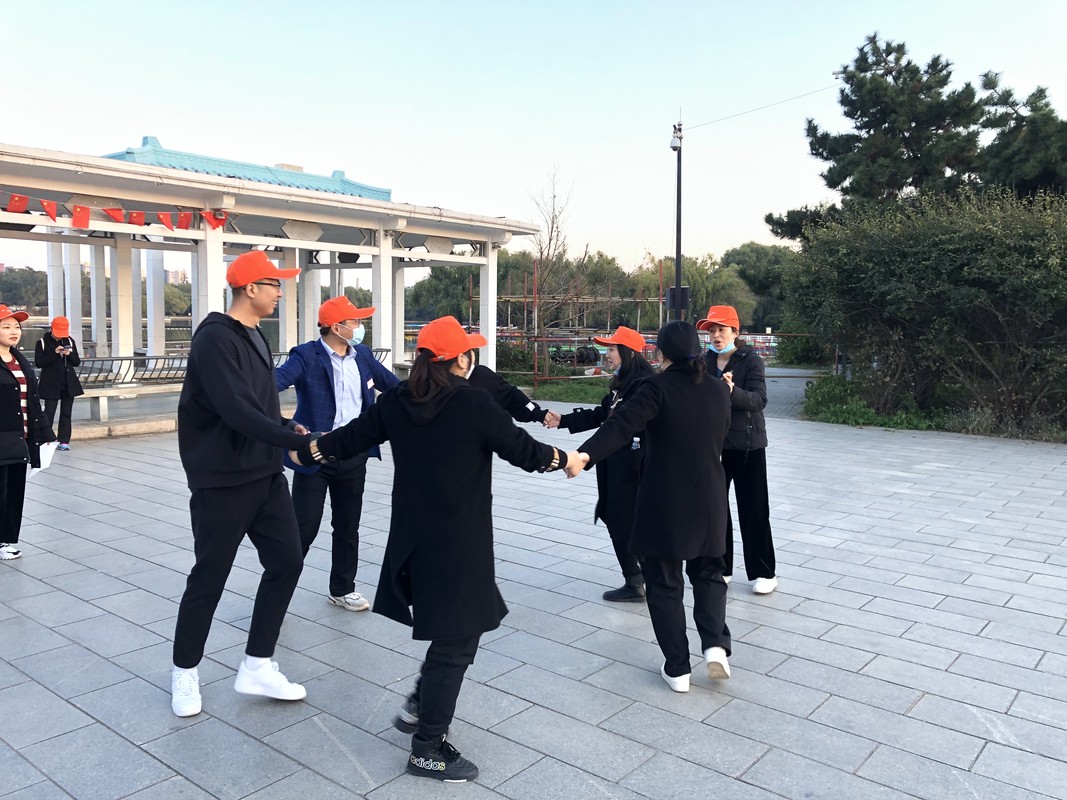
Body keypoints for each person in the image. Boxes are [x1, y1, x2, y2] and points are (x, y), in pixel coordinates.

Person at [290, 315, 578, 783]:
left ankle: (419, 705)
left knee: (467, 623)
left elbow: (350, 437)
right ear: (460, 359)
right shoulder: (473, 403)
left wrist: (306, 451)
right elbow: (526, 452)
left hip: (414, 539)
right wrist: (567, 459)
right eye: (469, 351)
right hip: (459, 541)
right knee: (457, 640)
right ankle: (427, 748)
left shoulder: (398, 400)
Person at [170, 250, 313, 718]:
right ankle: (184, 671)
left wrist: (285, 425)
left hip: (265, 474)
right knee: (210, 576)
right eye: (274, 285)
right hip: (223, 479)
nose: (280, 293)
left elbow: (256, 402)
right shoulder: (214, 338)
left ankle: (257, 664)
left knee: (287, 562)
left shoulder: (254, 335)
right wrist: (295, 442)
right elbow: (233, 409)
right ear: (250, 288)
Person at [566, 321, 732, 692]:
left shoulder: (656, 388)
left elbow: (621, 425)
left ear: (660, 353)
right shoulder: (719, 390)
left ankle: (678, 668)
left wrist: (584, 455)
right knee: (709, 573)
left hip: (664, 499)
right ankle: (715, 646)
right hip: (710, 497)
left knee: (664, 582)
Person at [275, 296, 399, 612]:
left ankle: (342, 589)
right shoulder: (306, 355)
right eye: (355, 322)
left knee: (347, 527)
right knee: (303, 528)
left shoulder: (363, 356)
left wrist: (434, 394)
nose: (360, 327)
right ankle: (277, 592)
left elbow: (395, 388)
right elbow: (274, 383)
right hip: (316, 453)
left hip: (354, 453)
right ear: (336, 327)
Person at [547, 325, 654, 602]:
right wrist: (564, 421)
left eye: (612, 349)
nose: (607, 354)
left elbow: (623, 425)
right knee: (617, 518)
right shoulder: (623, 383)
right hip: (614, 463)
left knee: (626, 521)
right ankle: (638, 579)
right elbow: (602, 414)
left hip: (633, 467)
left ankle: (642, 579)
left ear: (629, 353)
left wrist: (583, 455)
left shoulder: (644, 386)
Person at [696, 305, 778, 595]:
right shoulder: (703, 361)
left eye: (722, 330)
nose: (716, 336)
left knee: (754, 510)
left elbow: (758, 400)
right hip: (713, 445)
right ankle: (722, 567)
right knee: (716, 510)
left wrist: (732, 391)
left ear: (735, 332)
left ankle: (764, 572)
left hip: (747, 446)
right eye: (711, 331)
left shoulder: (751, 360)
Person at [0, 305, 55, 561]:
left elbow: (32, 401)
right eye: (6, 326)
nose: (14, 331)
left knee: (14, 492)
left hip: (20, 438)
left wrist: (45, 433)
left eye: (16, 326)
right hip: (2, 436)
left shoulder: (21, 361)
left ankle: (6, 540)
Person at [34, 316, 85, 451]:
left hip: (68, 382)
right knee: (49, 413)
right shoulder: (42, 342)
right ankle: (46, 439)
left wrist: (69, 354)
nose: (60, 336)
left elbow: (76, 362)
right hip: (50, 383)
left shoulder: (69, 340)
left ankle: (64, 440)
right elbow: (39, 363)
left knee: (66, 413)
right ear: (51, 329)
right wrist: (55, 353)